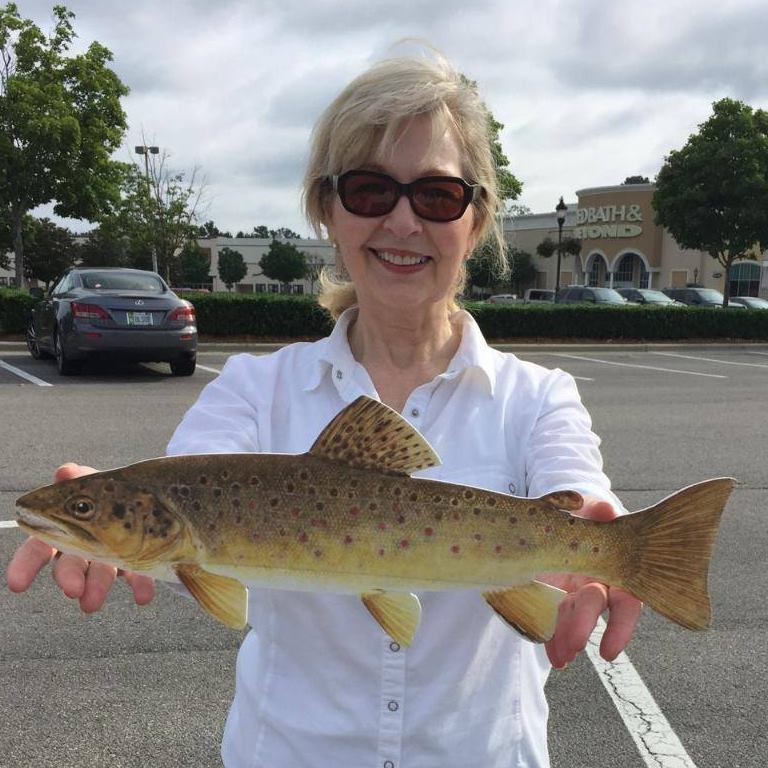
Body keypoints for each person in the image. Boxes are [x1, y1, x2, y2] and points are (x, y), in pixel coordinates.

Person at [7, 50, 641, 767]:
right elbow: (188, 475)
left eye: (436, 196)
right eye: (371, 191)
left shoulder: (540, 396)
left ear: (477, 219)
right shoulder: (252, 390)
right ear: (326, 210)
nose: (402, 222)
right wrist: (96, 522)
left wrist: (606, 549)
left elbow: (582, 495)